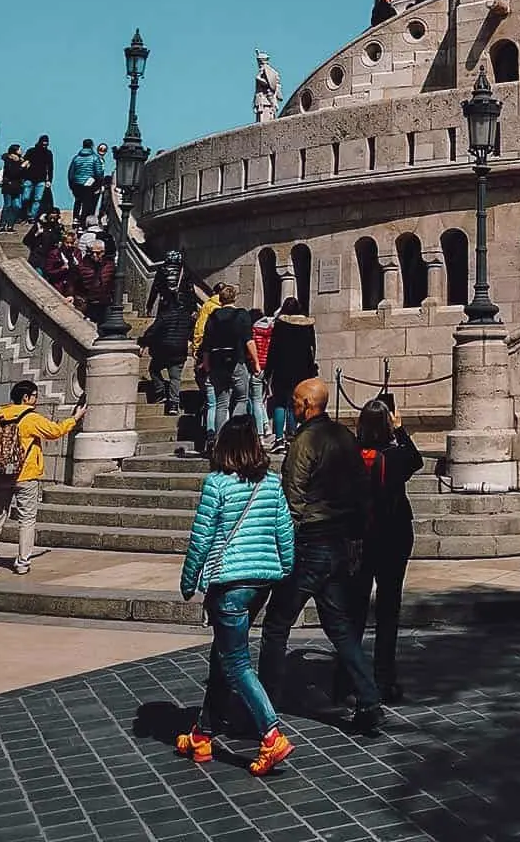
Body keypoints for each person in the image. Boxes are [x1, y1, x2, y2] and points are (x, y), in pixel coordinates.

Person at [258, 379, 384, 734]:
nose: (293, 407)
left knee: (277, 625)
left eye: (296, 402)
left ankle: (264, 702)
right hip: (340, 545)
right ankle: (369, 699)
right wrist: (356, 536)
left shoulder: (305, 442)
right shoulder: (345, 437)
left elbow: (292, 497)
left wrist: (286, 544)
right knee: (340, 627)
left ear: (307, 406)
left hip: (311, 544)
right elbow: (363, 490)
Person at [177, 416, 295, 777]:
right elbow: (285, 531)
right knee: (223, 656)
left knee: (237, 663)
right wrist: (285, 567)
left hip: (229, 582)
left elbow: (201, 536)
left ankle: (270, 732)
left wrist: (188, 579)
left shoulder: (216, 484)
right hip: (262, 581)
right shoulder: (272, 483)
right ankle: (203, 733)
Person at [339, 398, 423, 706]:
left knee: (355, 611)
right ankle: (384, 678)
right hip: (393, 537)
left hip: (360, 539)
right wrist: (401, 430)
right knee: (388, 610)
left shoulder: (351, 456)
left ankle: (347, 678)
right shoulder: (396, 456)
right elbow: (417, 460)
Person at [0, 381, 86, 575]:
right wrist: (75, 418)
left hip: (1, 475)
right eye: (34, 396)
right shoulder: (30, 418)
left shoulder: (0, 416)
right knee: (26, 520)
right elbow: (55, 431)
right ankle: (22, 563)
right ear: (25, 397)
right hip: (25, 475)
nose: (36, 400)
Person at [142, 251, 197, 415]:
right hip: (179, 344)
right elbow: (191, 291)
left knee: (154, 368)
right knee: (175, 377)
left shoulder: (162, 271)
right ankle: (174, 404)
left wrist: (149, 305)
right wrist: (192, 308)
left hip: (165, 324)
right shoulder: (184, 272)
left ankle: (160, 393)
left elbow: (155, 289)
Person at [200, 288, 259, 439]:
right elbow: (249, 341)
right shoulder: (242, 315)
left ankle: (220, 440)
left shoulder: (212, 316)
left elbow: (206, 343)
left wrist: (206, 364)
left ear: (220, 299)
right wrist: (256, 363)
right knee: (241, 399)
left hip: (217, 363)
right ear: (234, 298)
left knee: (221, 403)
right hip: (236, 362)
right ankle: (236, 437)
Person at [265, 298, 317, 453]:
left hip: (282, 369)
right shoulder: (307, 326)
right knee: (295, 403)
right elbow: (312, 349)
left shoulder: (280, 325)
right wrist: (311, 370)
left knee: (280, 403)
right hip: (301, 370)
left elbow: (273, 349)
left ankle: (279, 439)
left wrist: (268, 371)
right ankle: (292, 437)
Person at [192, 284, 227, 444]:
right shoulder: (231, 313)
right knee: (224, 401)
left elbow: (200, 330)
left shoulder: (208, 307)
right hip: (227, 359)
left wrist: (196, 349)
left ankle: (211, 435)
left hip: (208, 356)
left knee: (212, 401)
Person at [248, 306, 277, 442]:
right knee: (262, 399)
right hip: (269, 367)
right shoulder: (272, 330)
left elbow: (250, 349)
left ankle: (259, 433)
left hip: (256, 366)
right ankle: (266, 425)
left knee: (256, 400)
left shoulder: (252, 331)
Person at [70, 238, 115, 324]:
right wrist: (71, 295)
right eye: (92, 252)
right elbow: (73, 281)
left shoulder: (110, 266)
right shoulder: (83, 266)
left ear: (103, 252)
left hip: (105, 304)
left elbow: (114, 284)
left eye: (98, 253)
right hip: (89, 304)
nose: (94, 255)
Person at [67, 139, 102, 228]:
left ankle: (75, 219)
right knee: (86, 203)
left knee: (78, 201)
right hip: (89, 184)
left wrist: (71, 185)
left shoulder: (76, 158)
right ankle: (82, 223)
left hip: (77, 184)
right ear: (92, 146)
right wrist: (98, 185)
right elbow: (98, 173)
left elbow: (71, 173)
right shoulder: (95, 158)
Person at [22, 136, 53, 223]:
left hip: (41, 179)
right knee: (25, 197)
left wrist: (49, 180)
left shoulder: (48, 153)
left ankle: (31, 216)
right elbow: (24, 162)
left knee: (37, 199)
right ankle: (26, 214)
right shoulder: (31, 151)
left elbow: (50, 168)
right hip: (29, 178)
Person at [0, 145, 27, 232]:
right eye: (19, 149)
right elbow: (12, 173)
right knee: (8, 205)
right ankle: (2, 225)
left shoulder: (20, 160)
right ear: (15, 151)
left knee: (16, 206)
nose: (21, 150)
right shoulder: (9, 160)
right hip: (9, 186)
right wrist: (22, 167)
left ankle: (10, 225)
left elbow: (22, 175)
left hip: (17, 187)